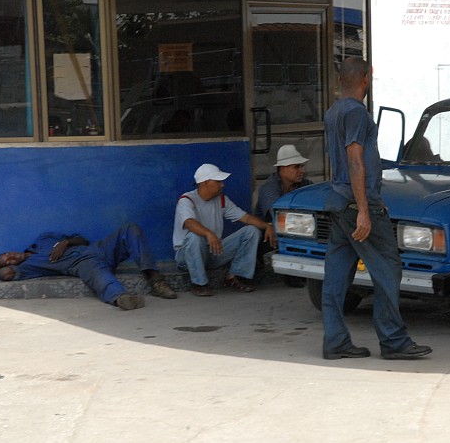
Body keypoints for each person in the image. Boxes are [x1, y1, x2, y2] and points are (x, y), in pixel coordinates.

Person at [322, 57, 432, 360]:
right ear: (366, 79)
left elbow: (350, 164)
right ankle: (394, 341)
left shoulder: (334, 112)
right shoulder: (357, 113)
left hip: (338, 200)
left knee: (335, 276)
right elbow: (355, 161)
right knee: (387, 268)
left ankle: (335, 341)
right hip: (354, 204)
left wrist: (369, 195)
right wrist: (364, 209)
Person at [0, 223, 177, 310]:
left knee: (130, 229)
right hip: (83, 264)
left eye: (6, 255)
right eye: (7, 261)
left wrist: (65, 242)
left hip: (98, 249)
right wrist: (2, 268)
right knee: (97, 274)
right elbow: (5, 274)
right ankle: (121, 298)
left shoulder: (44, 238)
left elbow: (83, 239)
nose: (10, 258)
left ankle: (156, 281)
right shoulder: (29, 266)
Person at [173, 163, 276, 297]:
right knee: (194, 237)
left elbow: (245, 218)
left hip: (213, 252)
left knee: (252, 231)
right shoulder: (187, 200)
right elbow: (189, 222)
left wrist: (266, 226)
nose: (222, 185)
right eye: (218, 181)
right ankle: (199, 283)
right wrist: (209, 233)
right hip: (187, 257)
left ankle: (235, 276)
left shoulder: (221, 200)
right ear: (204, 183)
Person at [254, 144, 312, 287]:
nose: (301, 171)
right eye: (296, 167)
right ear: (282, 169)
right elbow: (277, 216)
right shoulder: (269, 188)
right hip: (270, 234)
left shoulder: (305, 185)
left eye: (302, 166)